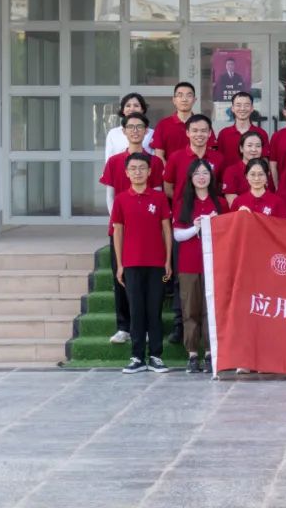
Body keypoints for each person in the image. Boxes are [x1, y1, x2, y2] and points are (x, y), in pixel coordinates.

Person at [100, 113, 164, 346]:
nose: (135, 131)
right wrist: (118, 221)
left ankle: (146, 328)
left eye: (140, 127)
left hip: (147, 229)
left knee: (148, 282)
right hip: (120, 227)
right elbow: (110, 196)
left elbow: (158, 194)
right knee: (121, 278)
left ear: (146, 132)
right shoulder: (114, 161)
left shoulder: (154, 162)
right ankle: (123, 327)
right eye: (130, 127)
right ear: (124, 131)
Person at [110, 153, 172, 374]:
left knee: (154, 310)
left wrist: (168, 260)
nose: (138, 172)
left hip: (156, 264)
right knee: (136, 311)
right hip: (131, 264)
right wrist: (120, 264)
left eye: (142, 168)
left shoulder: (159, 198)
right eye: (133, 168)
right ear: (127, 173)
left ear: (150, 171)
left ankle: (156, 356)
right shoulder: (121, 199)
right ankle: (137, 357)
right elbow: (118, 232)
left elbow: (167, 230)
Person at [172, 160, 227, 374]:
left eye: (205, 173)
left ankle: (210, 353)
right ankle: (192, 353)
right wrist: (195, 228)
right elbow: (178, 235)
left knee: (210, 309)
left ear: (211, 177)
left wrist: (215, 223)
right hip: (189, 264)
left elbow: (228, 231)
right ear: (190, 178)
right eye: (197, 173)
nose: (202, 177)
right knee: (190, 309)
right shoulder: (183, 203)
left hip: (214, 264)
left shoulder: (220, 202)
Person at [163, 115, 223, 202]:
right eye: (195, 131)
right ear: (187, 133)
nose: (199, 134)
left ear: (210, 133)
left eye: (203, 131)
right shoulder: (175, 157)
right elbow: (168, 188)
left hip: (210, 208)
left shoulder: (218, 158)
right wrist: (182, 202)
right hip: (182, 209)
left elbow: (220, 186)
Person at [220, 130, 272, 206]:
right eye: (249, 145)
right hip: (242, 212)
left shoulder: (265, 170)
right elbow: (233, 203)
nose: (254, 149)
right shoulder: (231, 171)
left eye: (258, 146)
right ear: (241, 148)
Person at [216, 92, 268, 166]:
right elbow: (219, 159)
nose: (242, 109)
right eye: (238, 105)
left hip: (253, 173)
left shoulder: (261, 133)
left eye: (246, 105)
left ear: (252, 108)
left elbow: (265, 159)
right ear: (232, 108)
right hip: (229, 173)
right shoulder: (224, 134)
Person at [152, 81, 198, 163]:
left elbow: (210, 152)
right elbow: (159, 155)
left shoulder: (202, 124)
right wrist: (169, 170)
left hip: (198, 171)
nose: (184, 99)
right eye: (180, 95)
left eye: (189, 95)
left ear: (194, 100)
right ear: (174, 100)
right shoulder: (163, 125)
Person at [104, 92, 153, 161]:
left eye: (136, 105)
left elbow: (155, 158)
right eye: (128, 106)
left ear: (142, 109)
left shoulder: (152, 133)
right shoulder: (113, 133)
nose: (132, 109)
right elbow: (109, 159)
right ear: (123, 110)